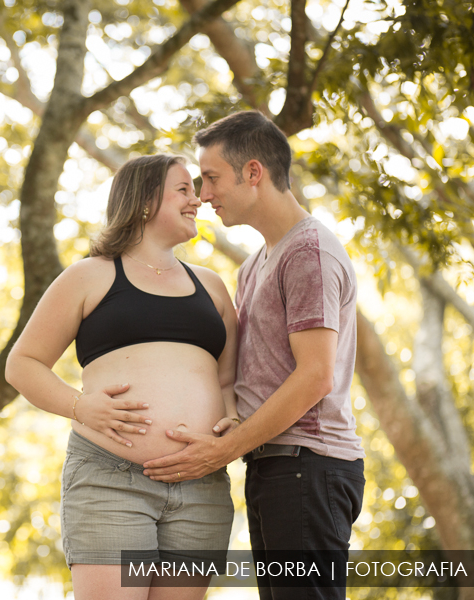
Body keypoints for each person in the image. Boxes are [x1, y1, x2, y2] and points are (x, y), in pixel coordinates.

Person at [142, 111, 365, 599]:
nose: (203, 194)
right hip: (277, 466)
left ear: (253, 173)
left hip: (309, 465)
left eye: (211, 177)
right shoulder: (255, 265)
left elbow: (315, 377)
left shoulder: (309, 253)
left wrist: (226, 447)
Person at [5, 154, 239, 600]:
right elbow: (23, 364)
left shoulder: (211, 286)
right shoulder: (89, 276)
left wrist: (232, 426)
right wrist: (80, 406)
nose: (198, 200)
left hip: (200, 484)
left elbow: (228, 382)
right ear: (147, 200)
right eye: (184, 190)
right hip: (111, 480)